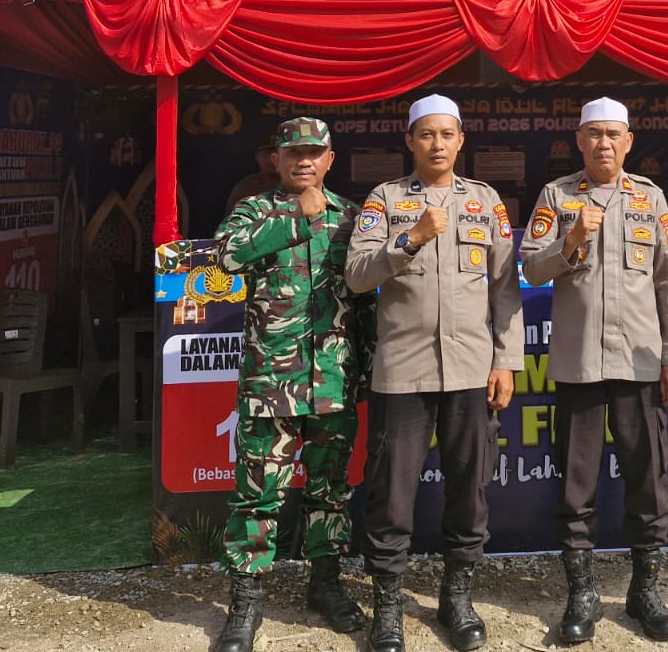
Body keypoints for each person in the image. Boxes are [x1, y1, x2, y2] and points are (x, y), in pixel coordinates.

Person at [345, 94, 524, 652]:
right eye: (427, 135)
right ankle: (389, 607)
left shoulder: (486, 201)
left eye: (447, 135)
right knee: (391, 493)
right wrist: (411, 238)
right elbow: (355, 276)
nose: (438, 144)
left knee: (469, 488)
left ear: (461, 140)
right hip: (402, 372)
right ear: (411, 141)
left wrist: (505, 361)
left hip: (472, 370)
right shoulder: (385, 200)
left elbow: (504, 289)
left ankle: (458, 598)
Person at [519, 97, 668, 644]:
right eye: (593, 134)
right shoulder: (557, 196)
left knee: (648, 479)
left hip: (641, 363)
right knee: (576, 485)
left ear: (628, 141)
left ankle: (645, 591)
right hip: (577, 366)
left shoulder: (650, 198)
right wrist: (571, 241)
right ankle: (583, 594)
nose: (603, 144)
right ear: (578, 141)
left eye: (613, 135)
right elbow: (530, 266)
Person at [210, 116, 374, 652]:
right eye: (292, 153)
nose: (304, 161)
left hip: (333, 382)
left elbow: (368, 298)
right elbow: (225, 258)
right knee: (258, 496)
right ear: (275, 161)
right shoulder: (254, 212)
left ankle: (325, 585)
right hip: (271, 383)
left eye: (314, 153)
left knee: (330, 493)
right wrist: (295, 223)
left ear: (330, 159)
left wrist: (365, 371)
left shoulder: (352, 217)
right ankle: (246, 602)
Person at [225, 133, 281, 215]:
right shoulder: (246, 185)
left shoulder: (295, 182)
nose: (270, 158)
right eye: (266, 153)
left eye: (275, 152)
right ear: (257, 156)